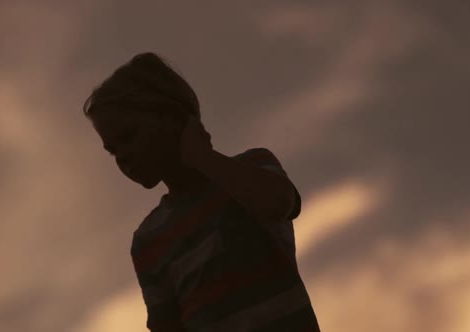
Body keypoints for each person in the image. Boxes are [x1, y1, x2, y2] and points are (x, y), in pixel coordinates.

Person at [82, 52, 321, 331]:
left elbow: (276, 204)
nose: (122, 157)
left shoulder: (252, 167)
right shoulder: (149, 241)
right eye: (113, 151)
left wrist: (202, 157)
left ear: (172, 116)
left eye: (128, 137)